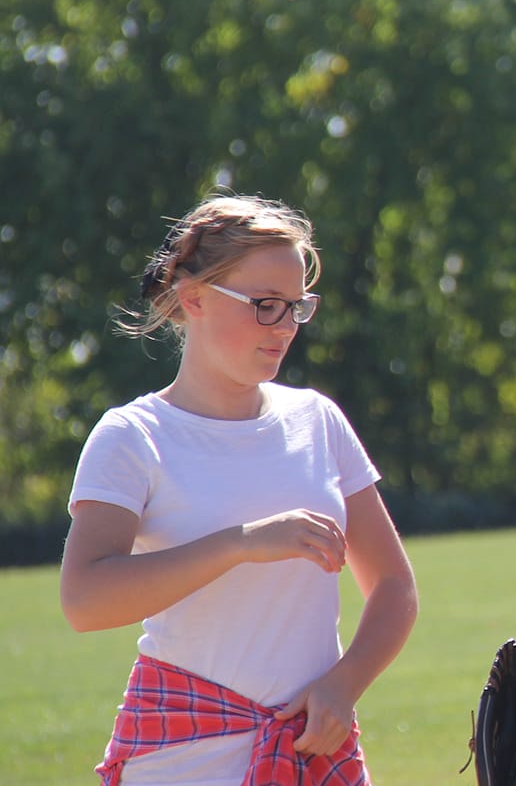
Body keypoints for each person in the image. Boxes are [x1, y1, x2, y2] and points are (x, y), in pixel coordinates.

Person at [60, 194, 419, 785]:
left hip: (312, 753)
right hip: (180, 760)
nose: (285, 327)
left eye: (296, 307)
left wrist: (343, 684)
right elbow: (84, 601)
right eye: (265, 305)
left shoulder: (318, 420)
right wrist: (240, 543)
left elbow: (394, 587)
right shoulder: (132, 436)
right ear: (194, 298)